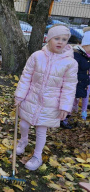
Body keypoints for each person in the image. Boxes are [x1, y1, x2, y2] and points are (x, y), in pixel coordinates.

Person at [14, 25, 78, 171]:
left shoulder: (70, 63)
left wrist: (65, 106)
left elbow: (69, 86)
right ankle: (23, 141)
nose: (60, 42)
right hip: (31, 98)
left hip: (51, 103)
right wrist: (19, 95)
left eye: (64, 39)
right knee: (24, 124)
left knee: (41, 130)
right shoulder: (37, 56)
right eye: (56, 38)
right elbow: (26, 77)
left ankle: (37, 156)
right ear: (48, 39)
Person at [61, 26, 90, 128]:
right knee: (69, 100)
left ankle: (66, 117)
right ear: (86, 45)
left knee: (74, 100)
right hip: (74, 83)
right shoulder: (77, 55)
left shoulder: (85, 55)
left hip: (80, 82)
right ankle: (63, 119)